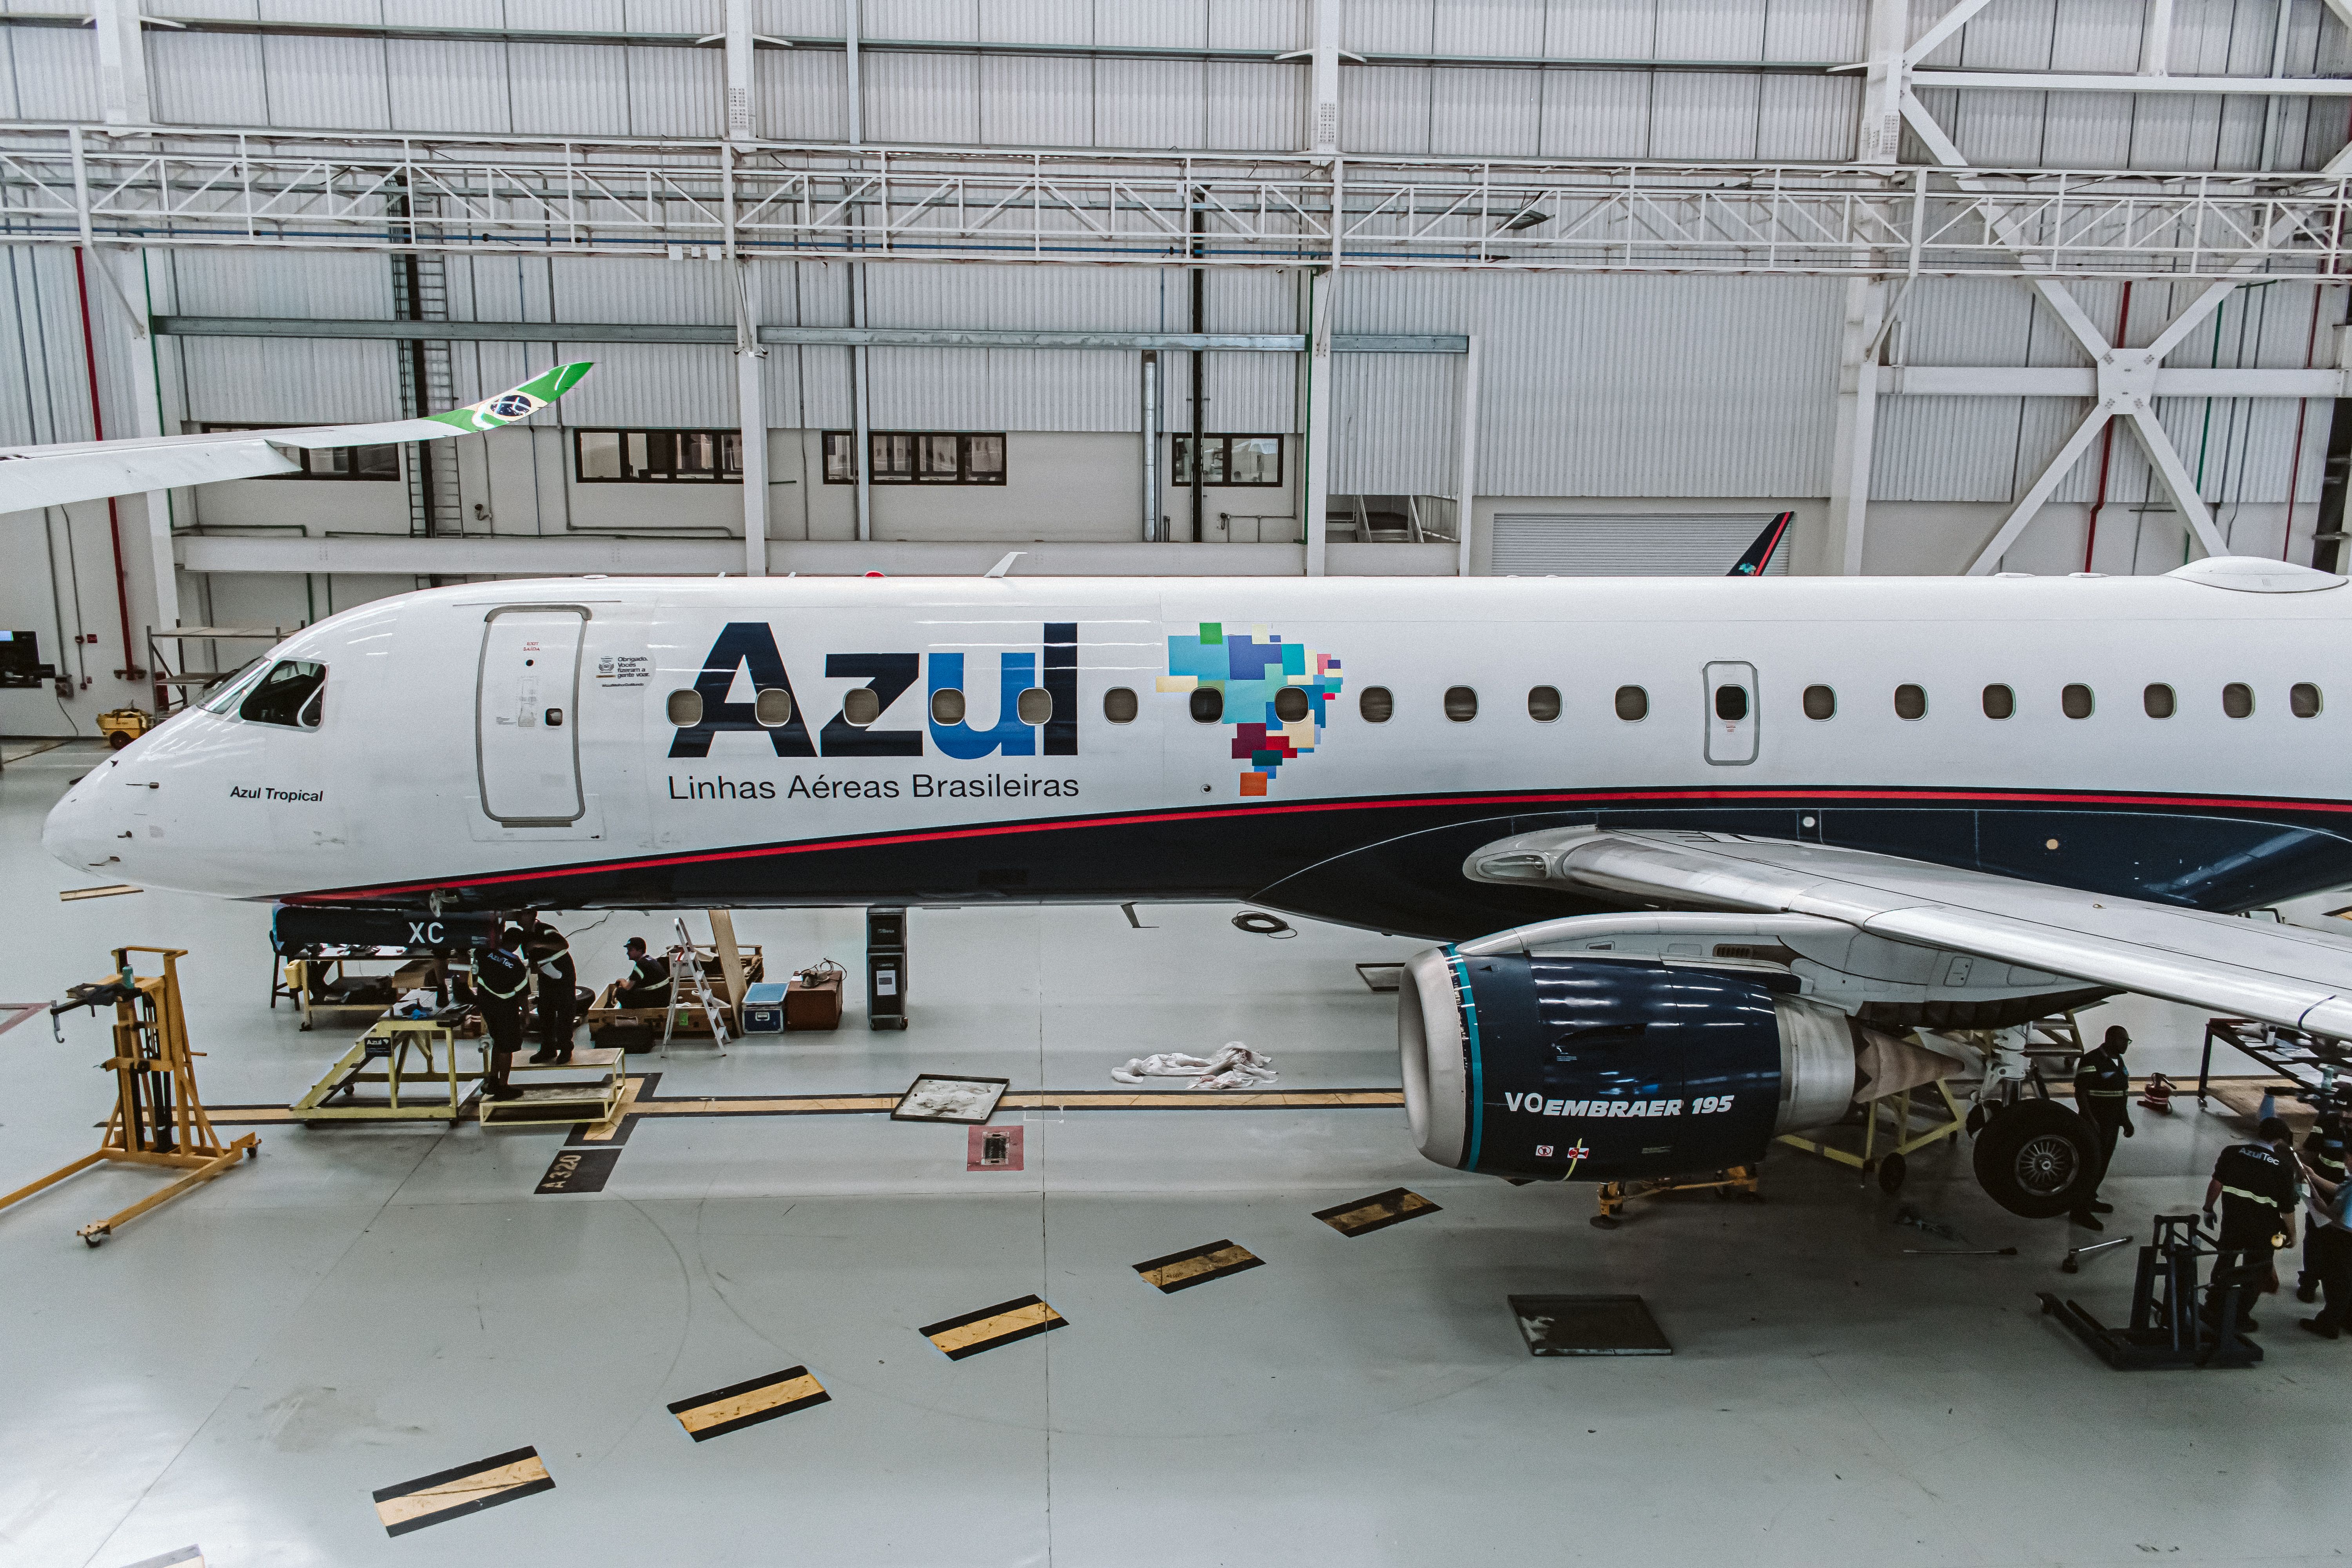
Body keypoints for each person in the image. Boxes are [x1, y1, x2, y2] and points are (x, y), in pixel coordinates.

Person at [2202, 1116, 2300, 1334]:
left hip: (2232, 1223)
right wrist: (2292, 1235)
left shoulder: (2231, 1152)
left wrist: (2208, 1209)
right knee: (2257, 1270)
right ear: (2278, 1141)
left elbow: (2216, 1184)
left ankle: (2214, 1304)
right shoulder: (2283, 1168)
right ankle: (2240, 1316)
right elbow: (2287, 1209)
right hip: (2263, 1231)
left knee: (2225, 1260)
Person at [2069, 1025, 2135, 1229]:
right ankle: (2079, 1210)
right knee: (2090, 1164)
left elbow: (2121, 1093)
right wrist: (2091, 1121)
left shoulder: (2118, 1061)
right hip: (2096, 1123)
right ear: (2111, 1039)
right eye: (2124, 1040)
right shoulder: (2091, 1060)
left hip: (2113, 1123)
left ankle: (2090, 1198)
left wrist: (2126, 1121)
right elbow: (2081, 1093)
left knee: (2103, 1163)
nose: (2126, 1044)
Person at [2297, 1138, 2352, 1340]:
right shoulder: (2351, 1182)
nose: (2345, 1162)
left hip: (2344, 1244)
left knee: (2338, 1283)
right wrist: (2314, 1177)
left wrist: (2323, 1211)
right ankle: (2348, 1319)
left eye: (2347, 1158)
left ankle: (2329, 1323)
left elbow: (2346, 1225)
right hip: (2344, 1242)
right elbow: (2339, 1190)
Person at [469, 925, 532, 1101]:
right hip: (505, 1009)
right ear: (516, 945)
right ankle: (503, 1088)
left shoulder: (483, 953)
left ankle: (493, 1080)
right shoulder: (516, 965)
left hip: (487, 1006)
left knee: (497, 1041)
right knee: (507, 1047)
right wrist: (526, 1014)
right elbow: (522, 995)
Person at [2298, 1108, 2350, 1303]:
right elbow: (2310, 1153)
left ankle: (2337, 1298)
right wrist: (2302, 1180)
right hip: (2325, 1189)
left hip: (2345, 1192)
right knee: (2316, 1235)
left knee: (2341, 1245)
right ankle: (2310, 1282)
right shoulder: (2327, 1122)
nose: (2346, 1117)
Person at [523, 916, 578, 1065]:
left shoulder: (545, 929)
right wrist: (536, 969)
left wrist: (539, 944)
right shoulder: (526, 937)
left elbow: (563, 944)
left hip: (562, 970)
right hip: (545, 974)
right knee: (545, 1011)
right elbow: (531, 960)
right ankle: (548, 1048)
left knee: (565, 1011)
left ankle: (566, 1049)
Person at [615, 936, 673, 1011]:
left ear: (640, 951)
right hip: (665, 998)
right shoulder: (650, 959)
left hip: (658, 1002)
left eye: (630, 950)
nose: (627, 953)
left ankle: (627, 1013)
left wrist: (621, 981)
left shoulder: (641, 964)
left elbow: (628, 988)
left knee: (621, 992)